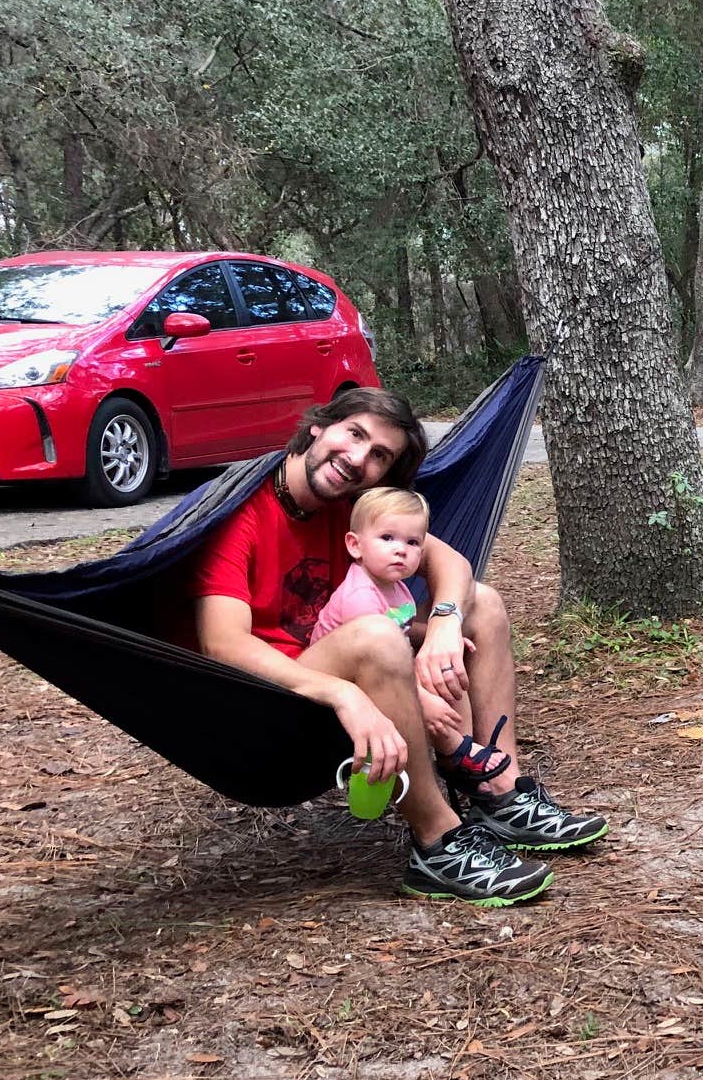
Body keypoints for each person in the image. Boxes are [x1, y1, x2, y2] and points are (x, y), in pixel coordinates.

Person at [186, 388, 606, 905]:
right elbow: (222, 644)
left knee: (483, 603)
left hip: (362, 662)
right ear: (319, 427)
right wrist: (345, 695)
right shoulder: (239, 511)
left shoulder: (354, 508)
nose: (358, 459)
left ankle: (500, 793)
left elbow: (450, 565)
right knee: (380, 636)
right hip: (280, 699)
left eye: (379, 454)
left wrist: (446, 624)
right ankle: (438, 843)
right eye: (354, 434)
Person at [312, 487, 512, 787]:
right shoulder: (359, 595)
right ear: (355, 545)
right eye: (387, 538)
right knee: (430, 691)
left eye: (413, 542)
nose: (401, 549)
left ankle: (464, 754)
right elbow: (377, 652)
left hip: (384, 668)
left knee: (446, 676)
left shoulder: (394, 586)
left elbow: (401, 627)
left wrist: (443, 634)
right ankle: (458, 750)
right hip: (343, 686)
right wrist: (421, 699)